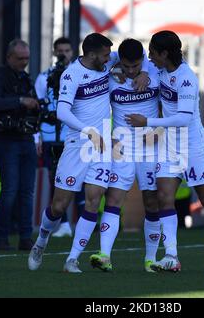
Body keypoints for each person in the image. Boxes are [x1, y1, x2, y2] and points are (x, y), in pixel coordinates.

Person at [28, 32, 149, 273]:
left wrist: (144, 72)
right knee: (59, 206)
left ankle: (72, 259)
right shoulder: (71, 75)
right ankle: (41, 241)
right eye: (105, 55)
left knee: (94, 200)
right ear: (91, 54)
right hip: (78, 146)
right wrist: (89, 131)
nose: (109, 59)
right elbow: (63, 112)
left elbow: (137, 55)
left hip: (103, 146)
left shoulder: (105, 60)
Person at [126, 30, 204, 274]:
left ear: (165, 53)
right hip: (169, 146)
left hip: (192, 146)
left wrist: (147, 122)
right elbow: (126, 63)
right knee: (163, 197)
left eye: (152, 52)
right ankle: (171, 255)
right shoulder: (158, 69)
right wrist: (138, 75)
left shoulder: (187, 78)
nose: (149, 57)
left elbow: (183, 119)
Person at [88, 38, 161, 273]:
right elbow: (98, 105)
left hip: (150, 146)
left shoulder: (155, 74)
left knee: (151, 201)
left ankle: (150, 259)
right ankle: (104, 256)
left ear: (144, 61)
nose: (131, 71)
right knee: (113, 199)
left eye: (136, 66)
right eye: (126, 66)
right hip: (122, 147)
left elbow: (167, 107)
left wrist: (147, 72)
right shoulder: (112, 78)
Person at [0, 39, 38, 250]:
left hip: (26, 138)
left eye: (26, 58)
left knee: (27, 191)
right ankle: (1, 237)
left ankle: (25, 237)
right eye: (20, 59)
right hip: (6, 140)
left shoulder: (25, 78)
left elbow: (32, 104)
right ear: (9, 57)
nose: (24, 62)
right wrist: (20, 101)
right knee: (9, 190)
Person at [34, 37, 75, 238]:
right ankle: (63, 222)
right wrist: (38, 136)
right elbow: (38, 108)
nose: (63, 54)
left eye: (67, 50)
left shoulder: (80, 74)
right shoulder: (43, 77)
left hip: (74, 136)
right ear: (54, 52)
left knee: (82, 179)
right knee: (56, 180)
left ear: (72, 52)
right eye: (60, 50)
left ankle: (83, 220)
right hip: (51, 136)